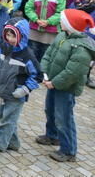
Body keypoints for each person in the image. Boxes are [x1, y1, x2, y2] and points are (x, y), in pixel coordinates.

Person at [36, 9, 95, 162]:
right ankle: (52, 136)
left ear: (71, 25)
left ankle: (68, 151)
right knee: (50, 110)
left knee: (64, 118)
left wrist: (54, 83)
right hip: (53, 83)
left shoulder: (81, 48)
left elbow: (72, 72)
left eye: (63, 20)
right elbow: (49, 54)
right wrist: (45, 72)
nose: (60, 22)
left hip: (65, 88)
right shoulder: (62, 35)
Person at [0, 18, 39, 153]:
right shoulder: (3, 48)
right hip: (5, 89)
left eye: (13, 36)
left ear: (22, 36)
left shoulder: (27, 55)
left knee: (8, 118)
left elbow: (37, 75)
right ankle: (12, 141)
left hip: (17, 93)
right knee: (5, 116)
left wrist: (25, 89)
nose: (10, 39)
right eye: (8, 35)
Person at [25, 0, 66, 64]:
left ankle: (42, 71)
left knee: (45, 54)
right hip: (34, 31)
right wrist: (36, 19)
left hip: (50, 32)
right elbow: (28, 9)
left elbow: (60, 13)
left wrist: (48, 21)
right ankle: (32, 70)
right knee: (32, 53)